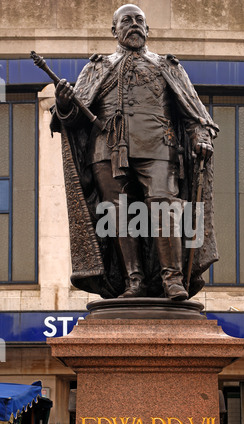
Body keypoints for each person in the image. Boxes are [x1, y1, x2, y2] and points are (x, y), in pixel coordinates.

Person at [51, 3, 219, 300]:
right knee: (117, 215)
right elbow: (73, 118)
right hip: (106, 150)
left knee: (165, 207)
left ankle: (173, 280)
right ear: (114, 30)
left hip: (159, 146)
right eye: (126, 21)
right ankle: (133, 281)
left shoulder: (168, 66)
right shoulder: (97, 67)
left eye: (139, 20)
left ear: (148, 29)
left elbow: (196, 115)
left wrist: (201, 136)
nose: (134, 25)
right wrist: (64, 104)